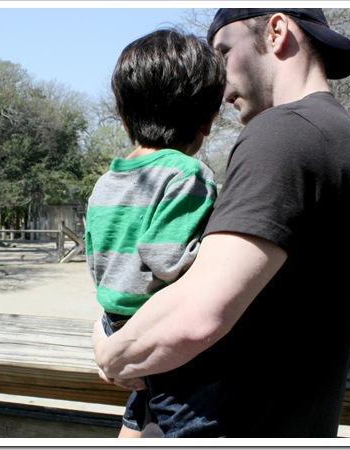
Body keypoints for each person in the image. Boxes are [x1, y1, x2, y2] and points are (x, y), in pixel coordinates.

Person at [92, 8, 350, 437]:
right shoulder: (342, 137)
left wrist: (109, 351)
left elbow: (196, 314)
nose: (219, 85)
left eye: (224, 53)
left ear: (276, 31)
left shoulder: (283, 134)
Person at [85, 28, 225, 437]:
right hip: (159, 330)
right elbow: (168, 261)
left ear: (124, 117)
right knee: (193, 419)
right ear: (207, 121)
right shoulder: (188, 174)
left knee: (144, 411)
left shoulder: (106, 182)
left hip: (116, 323)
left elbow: (96, 262)